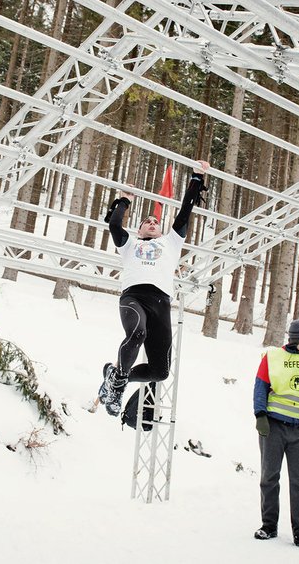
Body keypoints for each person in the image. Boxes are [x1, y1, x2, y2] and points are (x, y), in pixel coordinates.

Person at [97, 160, 209, 416]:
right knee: (137, 334)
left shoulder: (171, 242)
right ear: (138, 229)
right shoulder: (129, 244)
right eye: (146, 221)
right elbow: (114, 225)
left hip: (161, 304)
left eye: (154, 222)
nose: (151, 222)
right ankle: (116, 386)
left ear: (160, 230)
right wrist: (124, 199)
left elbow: (184, 212)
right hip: (134, 297)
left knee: (160, 371)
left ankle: (116, 378)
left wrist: (196, 177)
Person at [252, 319, 299, 552]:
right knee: (269, 477)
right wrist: (260, 415)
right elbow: (260, 386)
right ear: (296, 337)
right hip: (273, 427)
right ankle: (269, 525)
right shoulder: (273, 357)